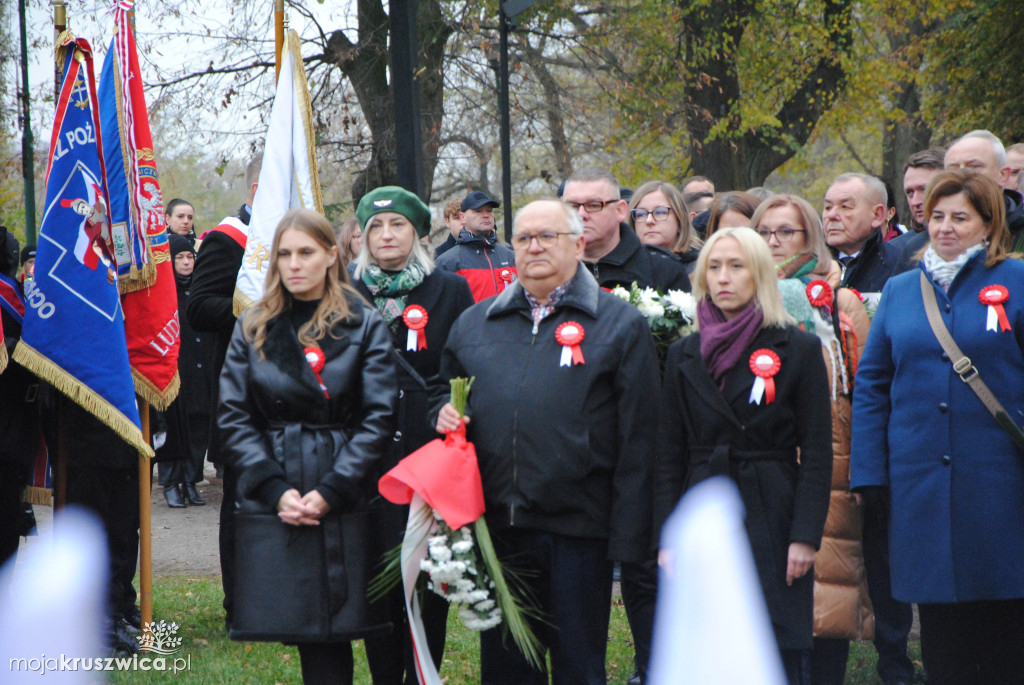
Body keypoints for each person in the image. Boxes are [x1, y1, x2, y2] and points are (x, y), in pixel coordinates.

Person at [432, 199, 659, 684]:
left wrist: (630, 536)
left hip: (579, 532)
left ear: (578, 244)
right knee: (509, 668)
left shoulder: (619, 325)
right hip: (500, 530)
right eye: (524, 238)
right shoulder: (476, 324)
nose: (533, 246)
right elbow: (441, 386)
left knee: (578, 666)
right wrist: (444, 411)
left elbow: (640, 437)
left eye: (546, 237)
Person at [851, 170, 1024, 685]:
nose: (945, 228)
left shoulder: (1016, 283)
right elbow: (873, 386)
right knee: (943, 643)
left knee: (1005, 639)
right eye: (938, 216)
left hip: (1002, 488)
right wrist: (869, 473)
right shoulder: (903, 291)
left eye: (961, 218)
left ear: (990, 224)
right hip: (920, 489)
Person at [219, 208, 396, 684]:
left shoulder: (364, 323)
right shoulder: (253, 326)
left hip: (344, 490)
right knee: (309, 633)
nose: (293, 264)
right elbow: (234, 416)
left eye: (305, 252)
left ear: (331, 255)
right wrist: (275, 489)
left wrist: (333, 490)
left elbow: (378, 416)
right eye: (283, 254)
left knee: (346, 623)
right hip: (278, 491)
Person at [655, 227, 832, 685]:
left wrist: (804, 535)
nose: (723, 278)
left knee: (773, 646)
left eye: (736, 266)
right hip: (703, 510)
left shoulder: (798, 348)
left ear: (759, 274)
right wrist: (669, 537)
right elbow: (667, 452)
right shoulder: (682, 353)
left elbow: (815, 451)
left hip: (772, 511)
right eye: (713, 267)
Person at [349, 186, 474, 684]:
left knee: (426, 578)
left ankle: (425, 673)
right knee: (379, 579)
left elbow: (461, 366)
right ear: (361, 236)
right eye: (375, 227)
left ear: (418, 231)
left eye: (397, 224)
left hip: (427, 458)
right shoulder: (345, 291)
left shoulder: (449, 289)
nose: (385, 235)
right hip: (367, 460)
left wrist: (447, 405)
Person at [751, 196, 873, 684]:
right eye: (764, 232)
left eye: (787, 232)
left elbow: (866, 391)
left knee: (826, 602)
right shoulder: (737, 302)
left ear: (811, 239)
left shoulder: (838, 301)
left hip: (833, 467)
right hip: (762, 469)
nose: (774, 242)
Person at [187, 153, 260, 629]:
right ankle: (242, 604)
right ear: (258, 187)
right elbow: (199, 307)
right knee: (241, 500)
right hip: (243, 392)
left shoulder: (299, 237)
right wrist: (255, 311)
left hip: (299, 392)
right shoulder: (228, 240)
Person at [563, 167, 691, 293]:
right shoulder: (551, 269)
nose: (581, 214)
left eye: (593, 205)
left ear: (620, 211)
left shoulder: (663, 269)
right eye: (572, 206)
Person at [154, 235, 213, 508]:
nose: (187, 262)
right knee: (174, 427)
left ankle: (191, 480)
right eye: (180, 257)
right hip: (175, 371)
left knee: (199, 427)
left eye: (190, 257)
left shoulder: (203, 288)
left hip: (202, 369)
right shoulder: (163, 291)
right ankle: (171, 483)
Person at [944, 129, 1024, 251]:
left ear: (1002, 175)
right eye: (953, 168)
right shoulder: (916, 245)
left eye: (974, 166)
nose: (961, 174)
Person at [823, 173, 901, 294]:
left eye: (845, 207)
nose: (831, 215)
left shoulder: (901, 266)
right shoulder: (808, 267)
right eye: (828, 207)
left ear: (877, 215)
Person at [435, 191, 517, 302]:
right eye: (478, 211)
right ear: (462, 217)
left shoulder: (510, 257)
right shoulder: (447, 262)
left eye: (489, 211)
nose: (486, 215)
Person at [627, 180, 703, 274]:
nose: (649, 220)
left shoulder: (701, 266)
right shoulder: (624, 268)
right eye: (641, 214)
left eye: (660, 212)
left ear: (680, 221)